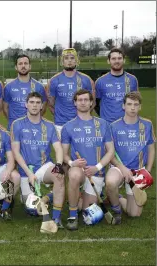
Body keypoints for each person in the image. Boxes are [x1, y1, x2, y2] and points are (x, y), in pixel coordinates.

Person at [61, 89, 114, 230]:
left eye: (86, 100)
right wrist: (72, 163)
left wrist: (96, 167)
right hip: (79, 170)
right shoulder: (68, 127)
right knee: (73, 174)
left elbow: (111, 151)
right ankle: (72, 216)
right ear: (75, 103)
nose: (83, 102)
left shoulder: (103, 124)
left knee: (88, 215)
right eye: (80, 100)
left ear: (91, 103)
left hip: (96, 174)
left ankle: (80, 198)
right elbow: (64, 154)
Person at [11, 92, 65, 228]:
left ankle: (56, 218)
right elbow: (16, 152)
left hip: (43, 166)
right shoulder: (17, 124)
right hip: (26, 171)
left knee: (59, 176)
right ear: (26, 105)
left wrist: (58, 165)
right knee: (32, 209)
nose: (34, 105)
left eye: (37, 103)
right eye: (31, 102)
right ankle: (47, 197)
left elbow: (58, 149)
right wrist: (29, 174)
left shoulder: (49, 125)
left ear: (42, 106)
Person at [106, 91, 155, 224]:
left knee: (134, 214)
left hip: (138, 171)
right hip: (118, 167)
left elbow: (151, 148)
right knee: (110, 182)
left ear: (140, 107)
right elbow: (110, 153)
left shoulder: (147, 125)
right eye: (129, 104)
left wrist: (147, 171)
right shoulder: (113, 126)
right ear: (123, 106)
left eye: (136, 104)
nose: (132, 107)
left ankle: (117, 197)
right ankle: (116, 210)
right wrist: (122, 168)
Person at [45, 48, 95, 138]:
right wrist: (61, 115)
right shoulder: (54, 80)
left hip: (81, 123)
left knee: (82, 151)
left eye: (72, 58)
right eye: (66, 58)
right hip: (60, 124)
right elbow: (50, 104)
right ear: (62, 61)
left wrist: (83, 115)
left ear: (76, 60)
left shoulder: (86, 80)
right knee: (62, 152)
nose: (69, 61)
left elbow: (92, 103)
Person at [94, 48, 139, 124]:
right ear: (109, 61)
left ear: (124, 60)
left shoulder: (132, 79)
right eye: (113, 58)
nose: (117, 61)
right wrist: (105, 116)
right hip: (108, 126)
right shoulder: (100, 81)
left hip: (127, 125)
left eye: (119, 58)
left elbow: (136, 102)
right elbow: (95, 103)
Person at [3, 54, 47, 130]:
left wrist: (33, 120)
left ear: (30, 66)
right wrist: (14, 121)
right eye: (20, 64)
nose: (23, 66)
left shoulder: (39, 86)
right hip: (14, 128)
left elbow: (43, 107)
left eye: (26, 63)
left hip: (32, 128)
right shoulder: (8, 87)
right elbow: (5, 108)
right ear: (16, 67)